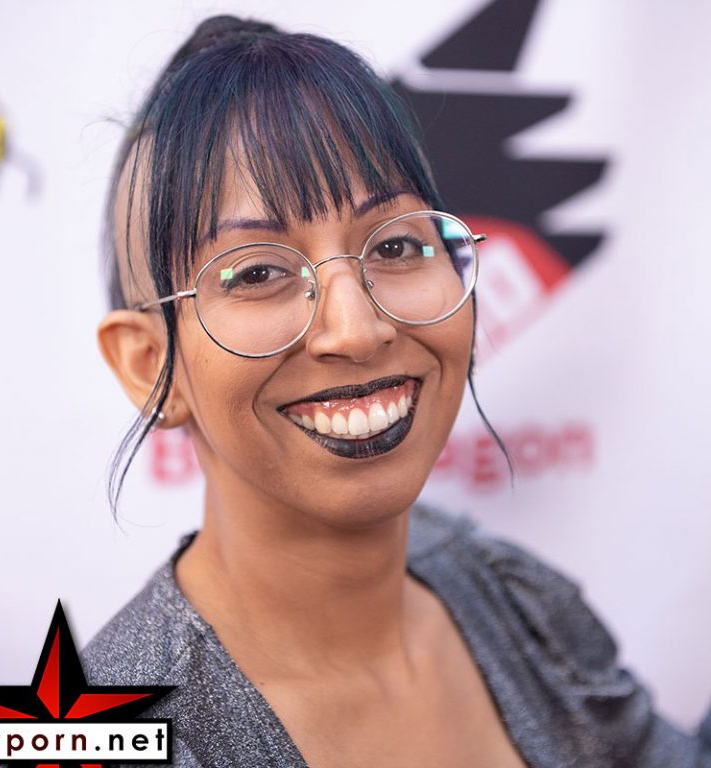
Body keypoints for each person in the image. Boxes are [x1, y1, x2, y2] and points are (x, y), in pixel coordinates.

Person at [84, 15, 711, 768]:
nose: (356, 329)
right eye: (257, 272)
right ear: (149, 364)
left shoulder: (511, 601)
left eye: (397, 245)